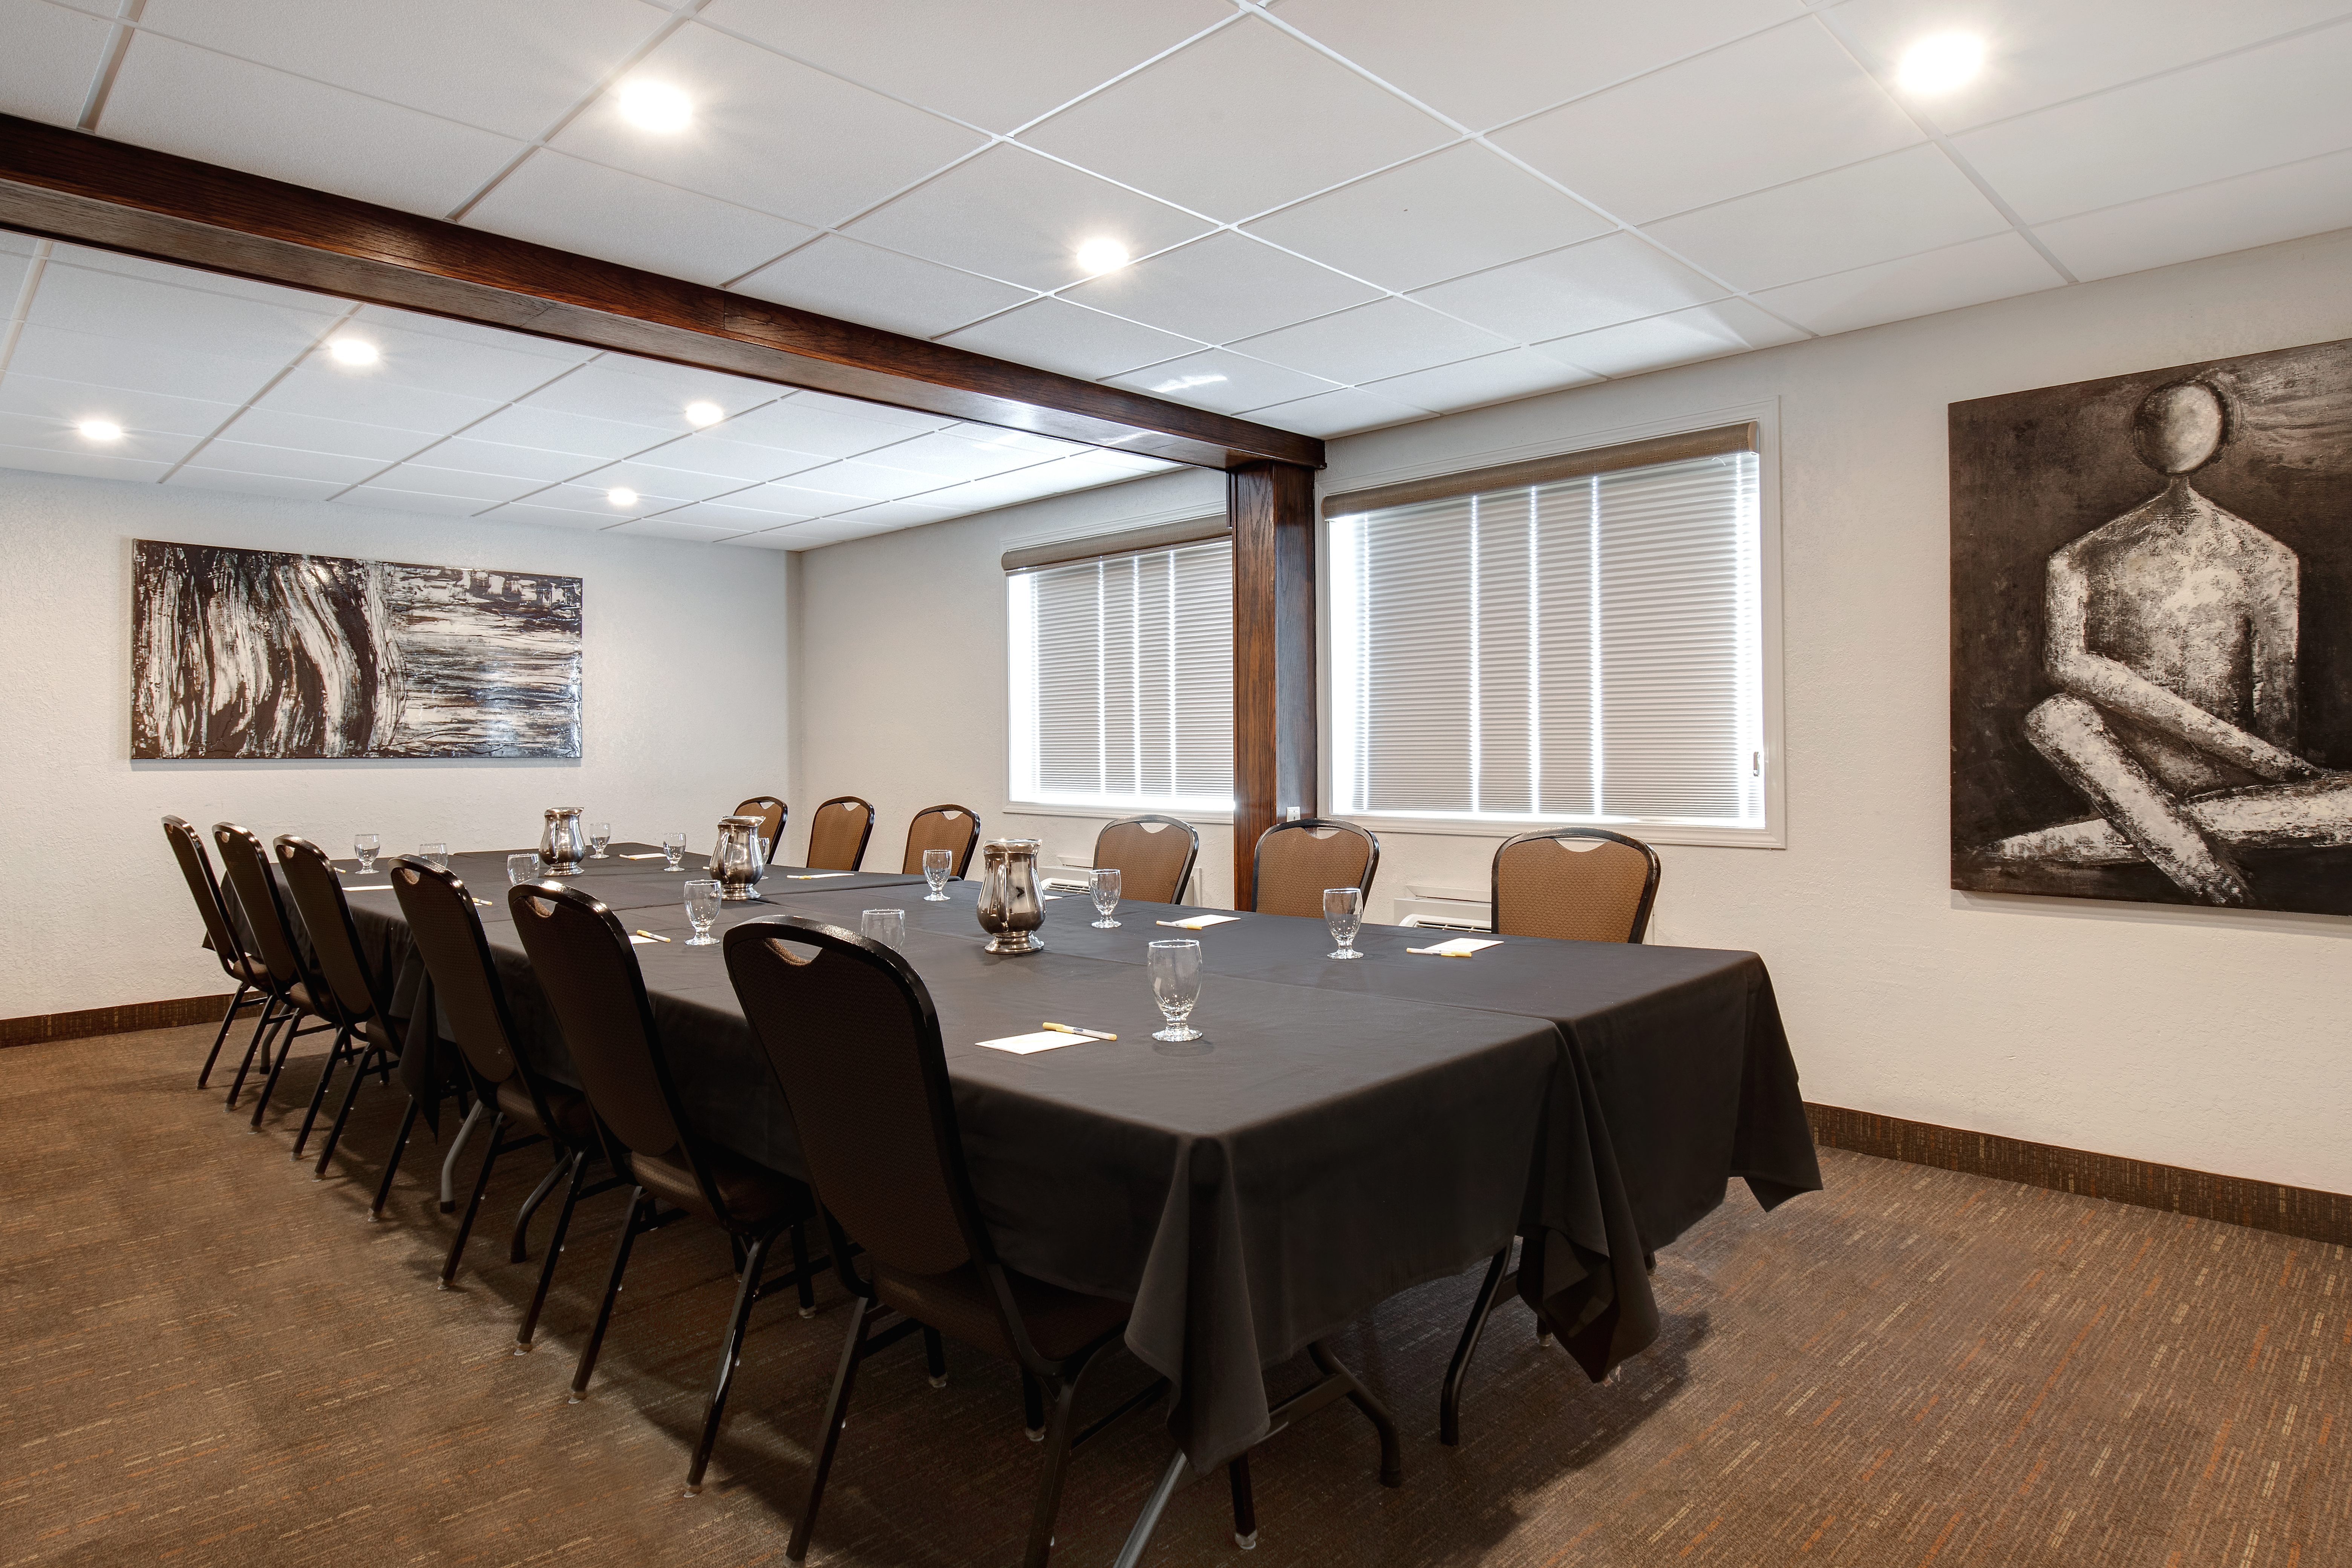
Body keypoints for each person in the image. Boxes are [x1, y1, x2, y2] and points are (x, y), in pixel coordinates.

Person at [1982, 378, 2342, 905]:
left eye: (2194, 418)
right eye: (2160, 419)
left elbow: (2276, 708)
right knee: (2060, 716)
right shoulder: (2079, 558)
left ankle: (2025, 851)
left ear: (2221, 438)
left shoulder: (2266, 559)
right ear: (2138, 438)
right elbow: (2067, 666)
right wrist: (2280, 769)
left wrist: (2276, 772)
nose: (2176, 431)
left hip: (2229, 783)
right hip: (2122, 763)